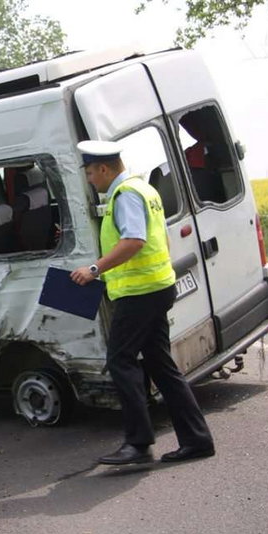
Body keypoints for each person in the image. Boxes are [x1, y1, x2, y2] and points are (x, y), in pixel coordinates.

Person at [70, 140, 214, 465]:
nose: (90, 179)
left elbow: (135, 241)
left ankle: (138, 443)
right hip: (155, 287)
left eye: (91, 173)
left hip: (141, 294)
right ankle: (197, 440)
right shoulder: (144, 189)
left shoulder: (126, 196)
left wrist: (95, 269)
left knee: (120, 360)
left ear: (105, 169)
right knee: (161, 366)